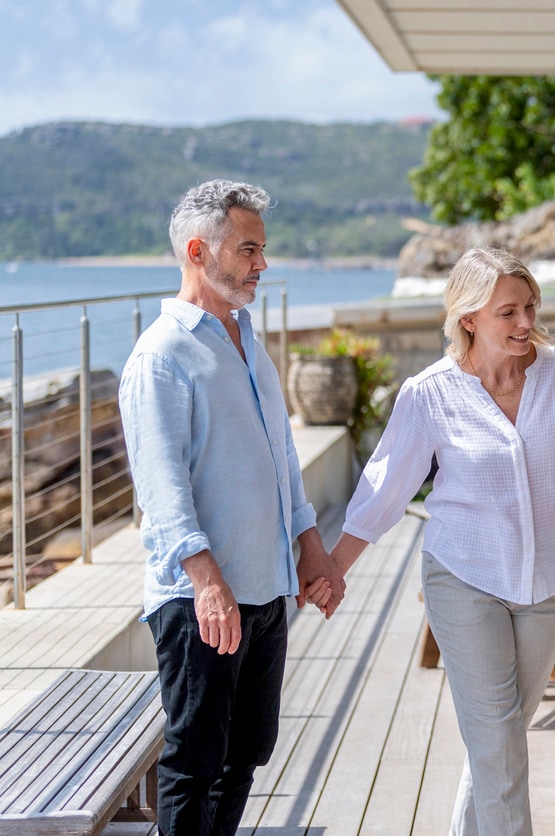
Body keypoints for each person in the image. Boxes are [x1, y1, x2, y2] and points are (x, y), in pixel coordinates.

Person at [325, 246, 555, 835]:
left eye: (530, 307)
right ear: (468, 318)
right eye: (508, 312)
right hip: (464, 578)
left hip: (551, 584)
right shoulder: (430, 394)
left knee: (498, 739)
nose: (526, 322)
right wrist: (334, 568)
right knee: (500, 746)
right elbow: (384, 491)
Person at [119, 179, 344, 834]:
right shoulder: (159, 358)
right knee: (195, 762)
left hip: (267, 593)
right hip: (202, 603)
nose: (262, 265)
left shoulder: (249, 341)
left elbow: (282, 466)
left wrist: (312, 549)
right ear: (198, 251)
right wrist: (208, 585)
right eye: (249, 250)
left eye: (262, 249)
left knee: (244, 756)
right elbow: (162, 494)